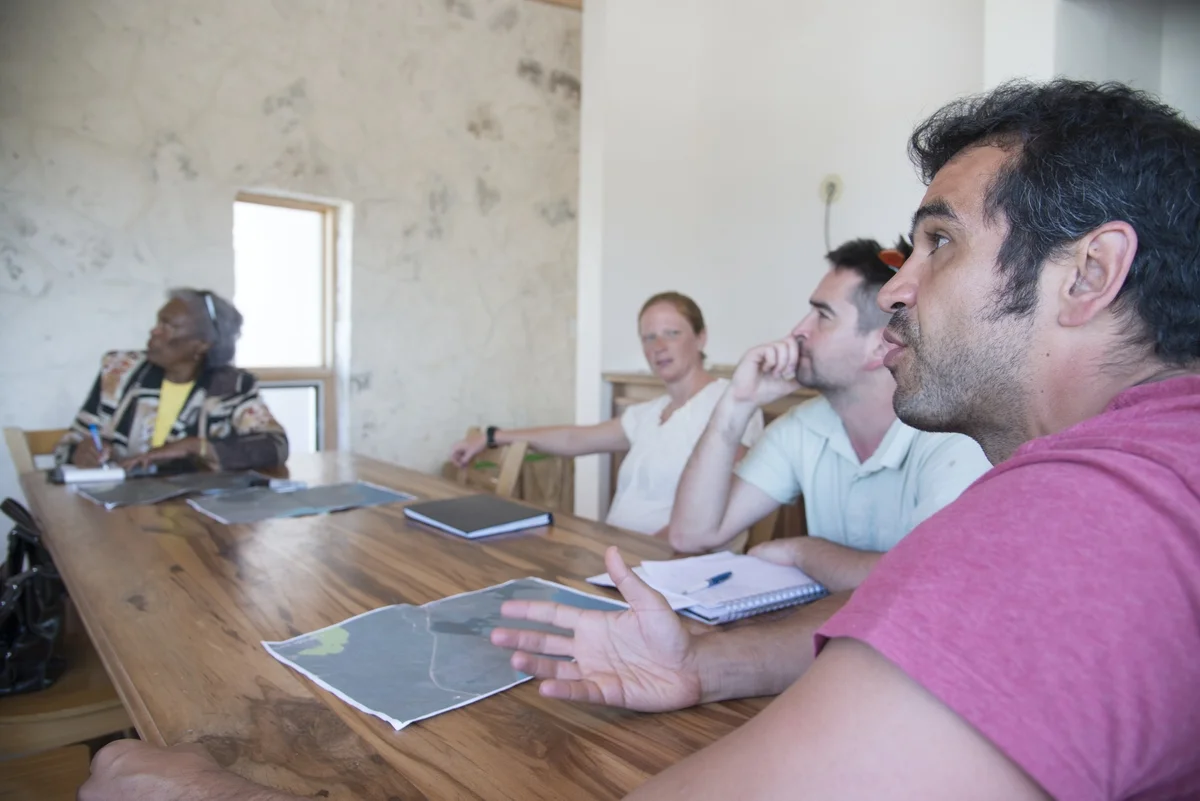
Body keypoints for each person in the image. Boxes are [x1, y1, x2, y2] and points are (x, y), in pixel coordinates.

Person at [79, 79, 1200, 801]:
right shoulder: (1136, 474)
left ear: (1090, 271)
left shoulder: (1084, 517)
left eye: (938, 242)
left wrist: (220, 794)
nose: (897, 292)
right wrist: (708, 664)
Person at [667, 239, 991, 593]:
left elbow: (926, 581)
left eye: (822, 316)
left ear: (881, 346)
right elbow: (690, 535)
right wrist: (736, 405)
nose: (798, 331)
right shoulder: (803, 426)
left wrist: (803, 551)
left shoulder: (956, 439)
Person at [449, 291, 764, 536]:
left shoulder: (731, 400)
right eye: (648, 337)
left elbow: (731, 500)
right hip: (621, 557)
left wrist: (654, 551)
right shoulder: (648, 413)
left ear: (701, 337)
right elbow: (574, 438)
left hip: (677, 565)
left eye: (672, 333)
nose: (659, 346)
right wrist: (493, 437)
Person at [56, 288, 288, 472]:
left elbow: (275, 446)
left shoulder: (230, 386)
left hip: (198, 517)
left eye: (168, 326)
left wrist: (195, 446)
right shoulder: (120, 371)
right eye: (158, 322)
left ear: (203, 344)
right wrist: (80, 452)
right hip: (121, 513)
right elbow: (70, 444)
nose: (154, 331)